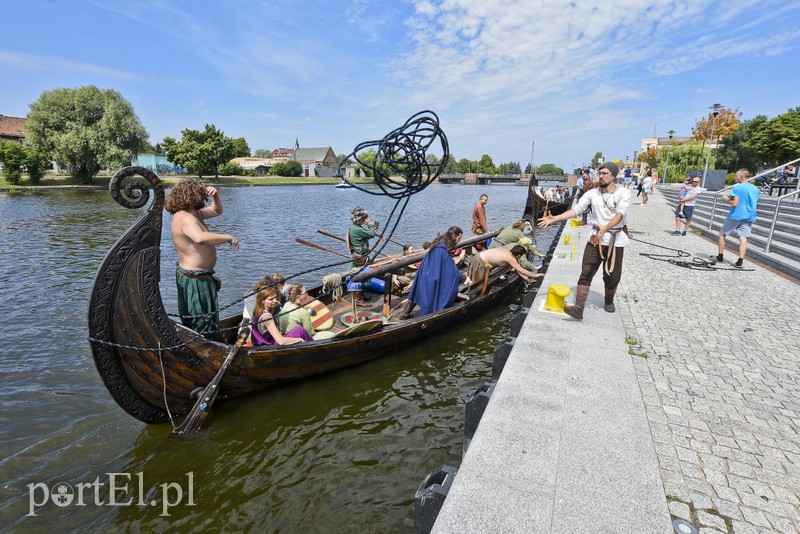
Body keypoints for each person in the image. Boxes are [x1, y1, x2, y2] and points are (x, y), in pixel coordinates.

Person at [538, 161, 631, 319]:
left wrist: (606, 228)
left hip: (615, 240)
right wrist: (555, 219)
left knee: (612, 276)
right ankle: (579, 307)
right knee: (586, 272)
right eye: (599, 173)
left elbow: (620, 214)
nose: (600, 176)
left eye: (604, 173)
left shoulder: (623, 193)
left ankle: (609, 300)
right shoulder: (592, 193)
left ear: (613, 176)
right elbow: (576, 209)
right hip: (595, 239)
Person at [165, 179, 238, 338]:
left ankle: (207, 344)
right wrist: (227, 237)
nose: (204, 195)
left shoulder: (194, 214)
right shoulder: (184, 217)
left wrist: (216, 195)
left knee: (207, 319)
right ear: (190, 196)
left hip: (202, 276)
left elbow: (216, 210)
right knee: (201, 322)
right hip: (194, 279)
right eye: (200, 193)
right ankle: (201, 350)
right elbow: (200, 237)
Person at [400, 227, 469, 319]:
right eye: (458, 238)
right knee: (431, 292)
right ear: (453, 236)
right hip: (430, 275)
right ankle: (428, 316)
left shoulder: (438, 244)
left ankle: (405, 314)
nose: (458, 241)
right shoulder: (442, 251)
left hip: (424, 272)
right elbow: (452, 271)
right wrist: (465, 278)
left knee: (418, 291)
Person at [715, 168, 759, 268]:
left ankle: (720, 257)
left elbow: (735, 203)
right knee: (743, 238)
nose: (734, 177)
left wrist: (726, 199)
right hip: (749, 216)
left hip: (736, 215)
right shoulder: (755, 188)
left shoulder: (737, 187)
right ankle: (740, 262)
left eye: (736, 175)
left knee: (722, 234)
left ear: (741, 176)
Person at [347, 206, 380, 305]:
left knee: (362, 276)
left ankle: (361, 295)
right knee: (358, 276)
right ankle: (358, 300)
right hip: (359, 257)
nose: (365, 220)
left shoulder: (357, 228)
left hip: (361, 256)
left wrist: (372, 229)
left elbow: (367, 235)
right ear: (358, 219)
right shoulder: (356, 229)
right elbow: (371, 234)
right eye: (363, 218)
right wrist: (370, 225)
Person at [467, 245, 542, 286]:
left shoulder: (507, 250)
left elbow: (517, 269)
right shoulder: (510, 258)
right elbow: (521, 270)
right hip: (480, 262)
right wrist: (534, 275)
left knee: (473, 280)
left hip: (477, 256)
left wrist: (528, 280)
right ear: (519, 255)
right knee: (477, 284)